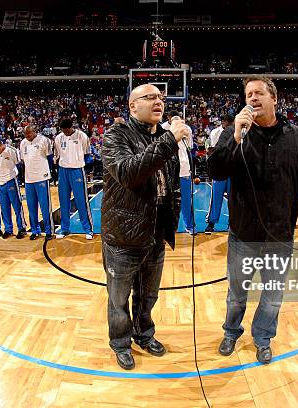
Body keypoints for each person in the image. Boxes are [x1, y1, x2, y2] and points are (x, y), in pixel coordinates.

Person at [207, 76, 298, 364]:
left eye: (259, 92)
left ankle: (262, 337)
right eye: (248, 94)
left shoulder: (297, 137)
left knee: (272, 297)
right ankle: (231, 332)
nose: (253, 98)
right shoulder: (235, 132)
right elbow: (216, 171)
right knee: (236, 296)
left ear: (274, 98)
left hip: (279, 237)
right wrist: (234, 136)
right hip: (243, 235)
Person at [101, 84, 186, 370]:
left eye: (161, 97)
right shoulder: (116, 135)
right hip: (123, 236)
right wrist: (170, 141)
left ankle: (143, 334)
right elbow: (129, 172)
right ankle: (121, 343)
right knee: (119, 298)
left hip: (155, 233)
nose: (159, 101)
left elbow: (171, 185)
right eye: (150, 97)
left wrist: (171, 222)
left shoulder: (164, 138)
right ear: (132, 105)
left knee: (148, 294)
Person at [53, 118, 93, 240]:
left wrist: (86, 169)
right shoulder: (58, 138)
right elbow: (57, 155)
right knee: (64, 201)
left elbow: (87, 154)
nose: (65, 132)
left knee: (81, 201)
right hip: (63, 171)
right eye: (63, 130)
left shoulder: (82, 136)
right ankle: (65, 229)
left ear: (72, 127)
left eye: (67, 130)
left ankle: (88, 229)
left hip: (77, 170)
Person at [162, 111, 195, 235]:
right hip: (168, 170)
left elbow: (189, 146)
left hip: (184, 168)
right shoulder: (162, 128)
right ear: (169, 119)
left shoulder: (186, 128)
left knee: (186, 200)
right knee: (167, 201)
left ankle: (190, 226)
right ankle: (167, 228)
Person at [20, 125, 54, 240]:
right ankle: (35, 230)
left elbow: (49, 157)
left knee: (45, 207)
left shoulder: (44, 140)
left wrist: (49, 173)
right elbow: (23, 161)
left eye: (29, 133)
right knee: (31, 208)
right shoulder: (23, 143)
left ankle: (49, 231)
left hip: (42, 178)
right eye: (25, 134)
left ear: (34, 131)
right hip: (29, 179)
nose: (27, 136)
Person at [0, 139, 27, 239]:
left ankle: (22, 228)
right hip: (0, 183)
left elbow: (18, 163)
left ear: (1, 145)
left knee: (17, 206)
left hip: (11, 180)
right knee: (4, 208)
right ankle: (8, 229)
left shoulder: (12, 150)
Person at [205, 114, 234, 234]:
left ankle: (233, 224)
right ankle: (211, 223)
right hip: (219, 169)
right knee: (216, 198)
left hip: (232, 170)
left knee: (233, 199)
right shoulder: (215, 132)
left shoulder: (237, 131)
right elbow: (210, 150)